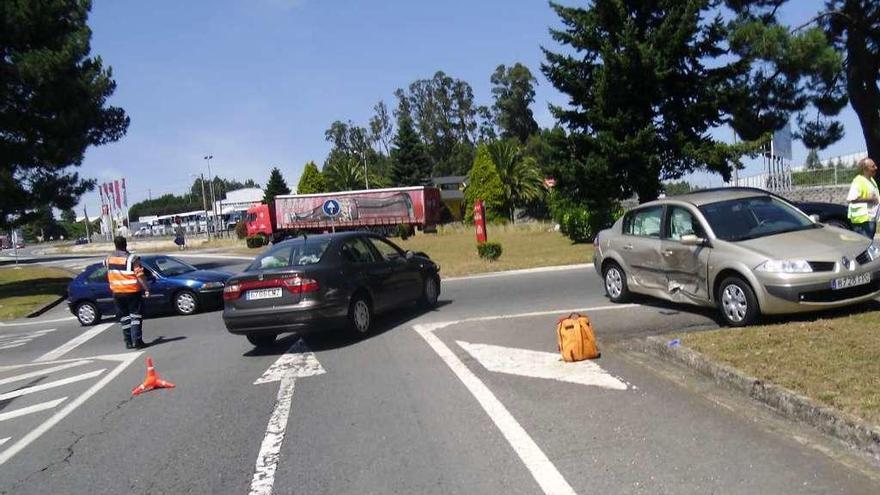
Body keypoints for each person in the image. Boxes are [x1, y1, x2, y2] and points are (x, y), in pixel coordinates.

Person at [104, 236, 150, 349]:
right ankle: (137, 341)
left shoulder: (108, 259)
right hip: (132, 291)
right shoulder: (132, 259)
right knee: (136, 316)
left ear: (115, 245)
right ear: (126, 244)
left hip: (117, 292)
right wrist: (146, 288)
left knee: (124, 317)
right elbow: (140, 275)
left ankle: (128, 342)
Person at [846, 157, 879, 239]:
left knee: (868, 244)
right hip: (862, 221)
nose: (876, 168)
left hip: (870, 218)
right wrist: (869, 200)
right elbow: (851, 199)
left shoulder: (871, 180)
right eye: (873, 166)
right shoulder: (858, 181)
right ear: (865, 169)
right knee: (864, 246)